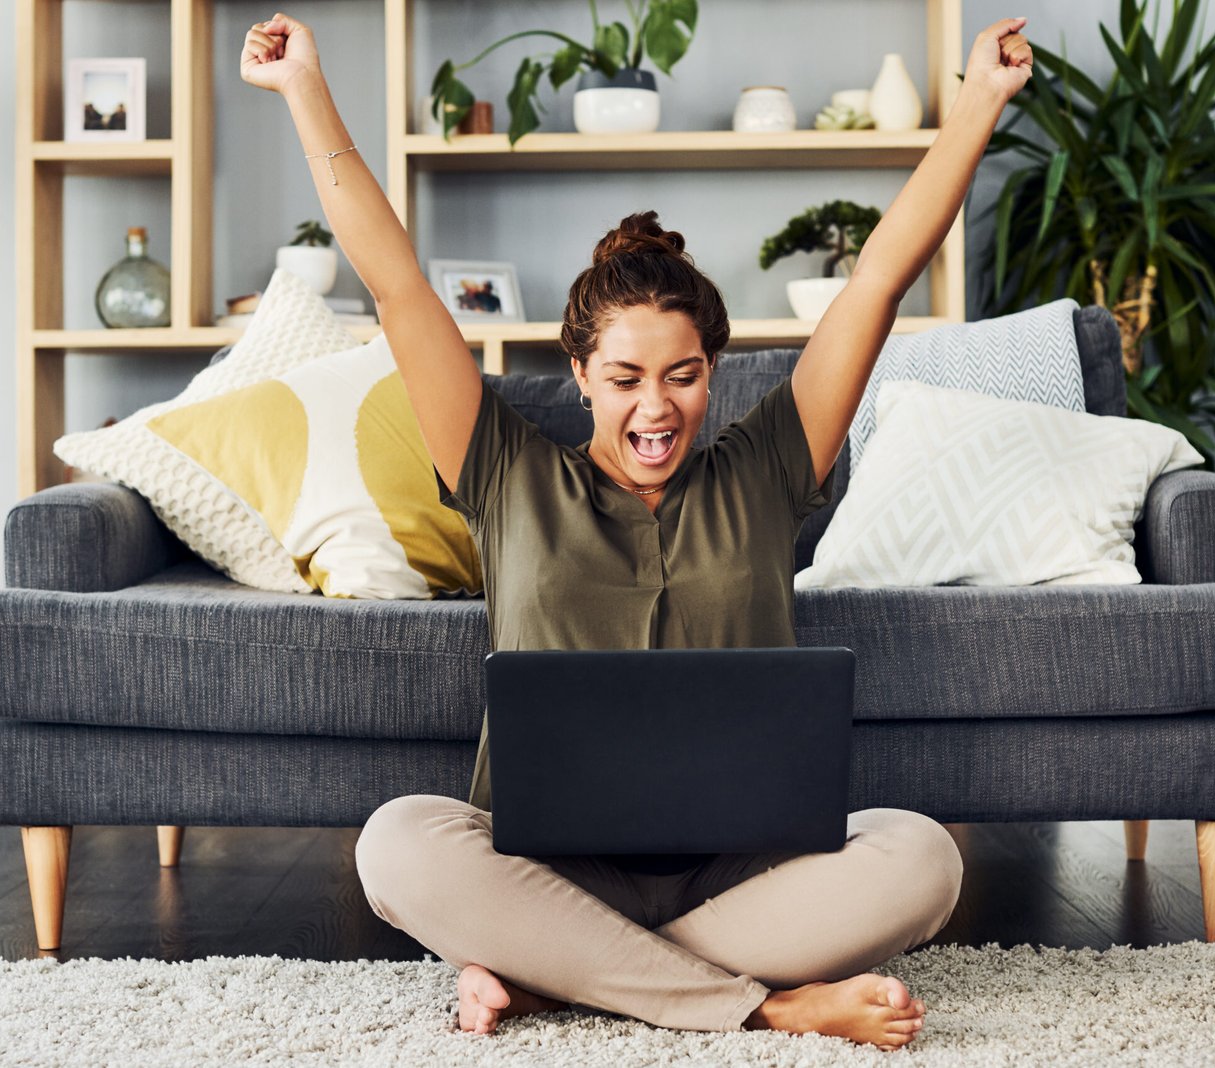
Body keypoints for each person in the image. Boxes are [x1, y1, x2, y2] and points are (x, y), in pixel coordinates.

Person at [241, 11, 1033, 1050]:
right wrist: (307, 93)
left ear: (715, 370)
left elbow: (877, 280)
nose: (654, 409)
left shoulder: (766, 467)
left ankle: (563, 975)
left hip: (743, 870)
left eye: (683, 376)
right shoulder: (505, 470)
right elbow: (396, 288)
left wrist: (976, 100)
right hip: (548, 866)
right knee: (398, 845)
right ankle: (760, 1004)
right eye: (622, 379)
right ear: (578, 375)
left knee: (922, 858)